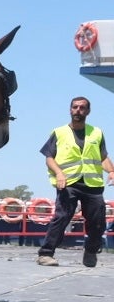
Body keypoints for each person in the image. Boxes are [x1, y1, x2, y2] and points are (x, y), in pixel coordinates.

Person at [36, 96, 114, 268]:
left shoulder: (97, 133)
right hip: (68, 182)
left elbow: (102, 158)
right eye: (75, 107)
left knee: (97, 221)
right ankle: (46, 254)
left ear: (88, 111)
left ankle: (91, 252)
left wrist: (112, 171)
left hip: (92, 184)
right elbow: (49, 158)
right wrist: (59, 174)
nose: (78, 110)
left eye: (82, 108)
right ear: (70, 110)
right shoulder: (59, 132)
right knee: (62, 217)